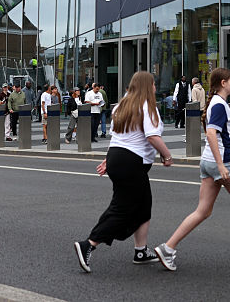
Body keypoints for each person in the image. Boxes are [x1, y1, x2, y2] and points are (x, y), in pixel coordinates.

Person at [154, 68, 230, 271]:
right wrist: (222, 164)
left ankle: (168, 248)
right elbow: (212, 134)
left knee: (202, 211)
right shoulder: (220, 104)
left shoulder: (216, 103)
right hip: (223, 162)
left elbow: (224, 136)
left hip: (208, 161)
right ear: (222, 83)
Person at [73, 71, 174, 272]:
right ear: (147, 86)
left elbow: (119, 138)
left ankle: (141, 251)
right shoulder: (147, 106)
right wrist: (167, 156)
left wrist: (108, 160)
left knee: (144, 205)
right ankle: (89, 244)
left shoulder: (121, 106)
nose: (155, 88)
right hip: (131, 162)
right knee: (122, 208)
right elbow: (153, 137)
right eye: (153, 84)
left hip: (118, 157)